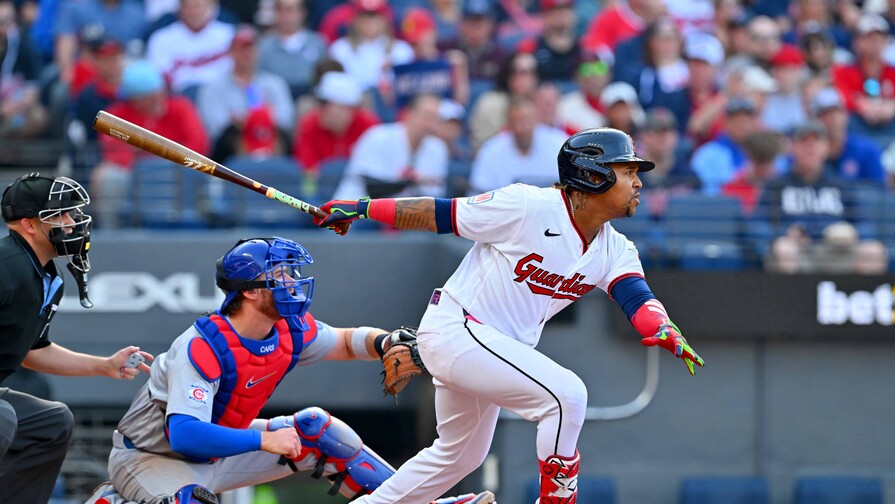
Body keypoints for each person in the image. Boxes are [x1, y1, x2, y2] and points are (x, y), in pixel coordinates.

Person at [313, 127, 705, 503]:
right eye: (627, 172)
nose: (638, 183)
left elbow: (636, 297)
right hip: (458, 329)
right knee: (566, 397)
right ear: (592, 176)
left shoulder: (615, 249)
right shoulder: (528, 206)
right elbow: (440, 214)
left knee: (460, 456)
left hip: (493, 350)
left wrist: (662, 326)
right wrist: (363, 208)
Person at [86, 236, 495, 504]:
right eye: (280, 276)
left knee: (319, 430)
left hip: (220, 453)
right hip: (152, 457)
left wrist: (386, 342)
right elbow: (186, 435)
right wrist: (263, 442)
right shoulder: (201, 346)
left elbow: (344, 340)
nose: (293, 283)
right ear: (248, 291)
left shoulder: (288, 328)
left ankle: (420, 502)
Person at [0, 173, 153, 503]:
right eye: (60, 215)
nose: (71, 223)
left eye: (71, 214)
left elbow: (32, 351)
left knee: (51, 422)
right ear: (29, 224)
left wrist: (104, 365)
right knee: (2, 417)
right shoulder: (4, 264)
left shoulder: (44, 275)